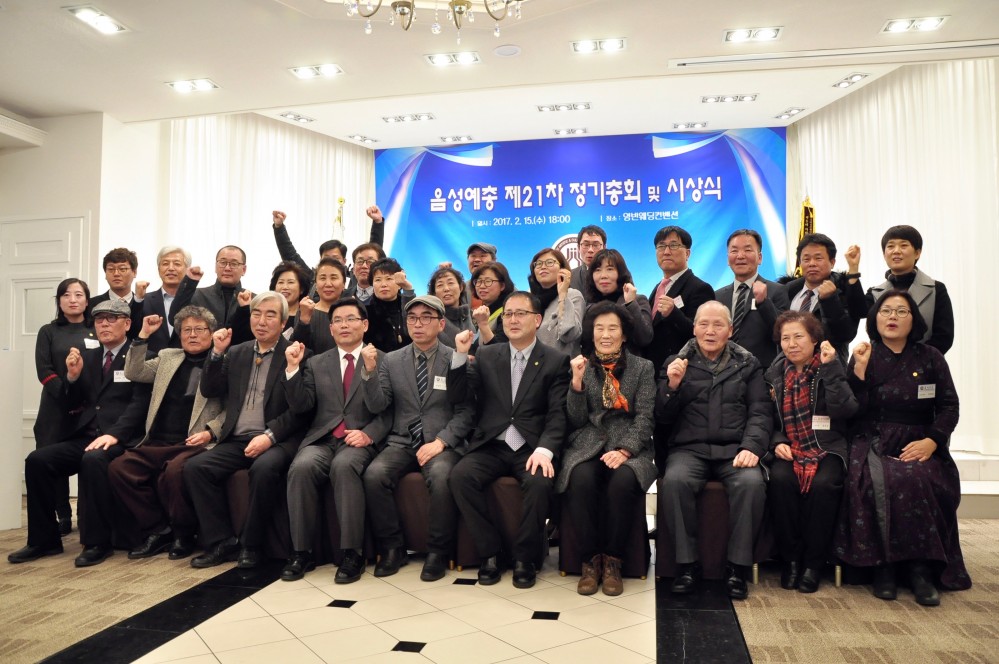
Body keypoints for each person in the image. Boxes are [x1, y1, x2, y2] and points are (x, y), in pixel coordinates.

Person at [834, 289, 969, 606]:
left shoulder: (931, 357)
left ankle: (920, 568)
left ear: (914, 320)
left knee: (918, 478)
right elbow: (852, 410)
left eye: (901, 311)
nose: (892, 317)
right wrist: (858, 373)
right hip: (872, 436)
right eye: (885, 311)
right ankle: (884, 567)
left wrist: (932, 441)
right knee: (875, 479)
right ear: (875, 318)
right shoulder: (865, 353)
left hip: (919, 439)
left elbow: (949, 406)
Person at [9, 299, 150, 567]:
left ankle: (97, 542)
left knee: (93, 460)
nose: (104, 324)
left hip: (120, 438)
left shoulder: (140, 355)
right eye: (99, 320)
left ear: (127, 324)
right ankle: (44, 540)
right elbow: (71, 402)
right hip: (86, 435)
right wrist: (72, 378)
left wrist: (115, 434)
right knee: (37, 460)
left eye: (111, 318)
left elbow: (139, 404)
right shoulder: (89, 356)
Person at [447, 291, 571, 589]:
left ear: (537, 320)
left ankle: (525, 558)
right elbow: (459, 396)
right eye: (508, 314)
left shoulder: (555, 360)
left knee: (540, 482)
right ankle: (490, 553)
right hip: (492, 443)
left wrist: (545, 450)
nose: (513, 320)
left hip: (530, 446)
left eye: (520, 313)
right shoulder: (488, 355)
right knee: (460, 476)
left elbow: (558, 414)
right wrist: (460, 356)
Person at [655, 301, 771, 599]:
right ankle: (687, 565)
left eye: (718, 325)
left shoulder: (748, 363)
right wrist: (671, 386)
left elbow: (760, 411)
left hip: (734, 449)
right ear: (693, 328)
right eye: (703, 324)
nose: (710, 331)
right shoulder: (676, 362)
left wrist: (751, 446)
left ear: (730, 330)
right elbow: (662, 417)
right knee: (675, 482)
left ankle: (737, 567)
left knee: (751, 484)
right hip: (689, 448)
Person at [183, 292, 308, 569]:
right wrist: (217, 353)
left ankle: (251, 545)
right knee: (196, 468)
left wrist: (269, 436)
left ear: (284, 321)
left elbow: (300, 410)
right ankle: (221, 542)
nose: (261, 321)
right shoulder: (237, 351)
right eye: (256, 314)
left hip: (278, 440)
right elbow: (211, 389)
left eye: (270, 315)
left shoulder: (296, 353)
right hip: (237, 438)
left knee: (263, 469)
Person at [360, 295, 474, 581]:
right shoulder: (391, 360)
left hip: (441, 441)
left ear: (441, 324)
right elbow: (378, 405)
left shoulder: (456, 358)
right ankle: (392, 548)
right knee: (374, 475)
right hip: (401, 440)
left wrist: (441, 442)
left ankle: (438, 551)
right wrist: (370, 372)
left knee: (442, 475)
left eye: (426, 318)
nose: (418, 324)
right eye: (412, 318)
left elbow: (466, 412)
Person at [282, 298, 392, 583]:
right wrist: (292, 369)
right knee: (301, 467)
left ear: (364, 325)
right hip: (323, 438)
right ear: (330, 329)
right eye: (338, 321)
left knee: (344, 467)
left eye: (351, 319)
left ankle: (352, 553)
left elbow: (388, 410)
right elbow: (302, 406)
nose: (344, 325)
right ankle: (301, 552)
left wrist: (369, 434)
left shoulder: (383, 359)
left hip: (359, 439)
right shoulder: (316, 362)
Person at [107, 306, 225, 560]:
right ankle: (159, 530)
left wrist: (210, 432)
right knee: (119, 468)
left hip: (192, 442)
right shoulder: (168, 356)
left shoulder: (222, 361)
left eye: (199, 329)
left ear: (212, 332)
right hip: (157, 441)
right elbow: (134, 372)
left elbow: (232, 408)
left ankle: (184, 535)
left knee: (174, 473)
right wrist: (143, 336)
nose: (192, 335)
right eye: (186, 330)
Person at [556, 301, 656, 596]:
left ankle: (613, 562)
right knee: (579, 479)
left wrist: (625, 450)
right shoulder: (581, 365)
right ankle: (590, 561)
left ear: (624, 335)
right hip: (588, 442)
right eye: (599, 328)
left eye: (613, 328)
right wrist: (576, 383)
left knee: (622, 482)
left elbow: (645, 417)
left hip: (630, 445)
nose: (606, 334)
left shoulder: (643, 367)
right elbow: (575, 420)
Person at [764, 311, 858, 593]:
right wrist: (776, 441)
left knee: (824, 485)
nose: (791, 344)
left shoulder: (830, 365)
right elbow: (766, 417)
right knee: (780, 481)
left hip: (827, 446)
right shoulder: (774, 373)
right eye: (785, 338)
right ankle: (791, 560)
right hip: (790, 446)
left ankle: (813, 564)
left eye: (798, 337)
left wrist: (831, 370)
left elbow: (846, 410)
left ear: (815, 339)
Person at [33, 278, 98, 535]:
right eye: (66, 295)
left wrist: (81, 397)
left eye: (79, 295)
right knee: (51, 463)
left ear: (87, 300)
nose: (73, 300)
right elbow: (44, 369)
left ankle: (85, 515)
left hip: (88, 410)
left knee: (89, 462)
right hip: (55, 408)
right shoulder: (48, 331)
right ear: (59, 301)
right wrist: (66, 393)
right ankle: (62, 515)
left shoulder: (96, 329)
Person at [865, 225, 954, 354]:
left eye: (903, 245)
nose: (896, 251)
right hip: (883, 363)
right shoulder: (874, 292)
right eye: (890, 246)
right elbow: (858, 315)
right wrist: (853, 272)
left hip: (926, 363)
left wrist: (914, 360)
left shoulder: (936, 289)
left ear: (917, 253)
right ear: (884, 254)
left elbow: (944, 337)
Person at [271, 206, 385, 299]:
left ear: (344, 261)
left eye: (335, 258)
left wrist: (378, 223)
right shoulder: (312, 278)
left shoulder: (356, 277)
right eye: (326, 258)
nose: (330, 262)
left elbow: (373, 252)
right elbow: (290, 255)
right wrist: (279, 227)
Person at [714, 229, 790, 368]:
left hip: (761, 372)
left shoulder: (777, 291)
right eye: (734, 251)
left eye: (748, 250)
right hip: (724, 371)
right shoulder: (717, 296)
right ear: (728, 258)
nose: (740, 256)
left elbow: (783, 333)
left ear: (759, 257)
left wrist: (764, 302)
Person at [783, 233, 865, 363]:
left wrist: (830, 301)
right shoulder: (787, 291)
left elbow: (846, 335)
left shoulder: (845, 291)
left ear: (832, 262)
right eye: (806, 259)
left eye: (818, 258)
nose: (812, 264)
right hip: (789, 368)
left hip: (829, 367)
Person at [646, 226, 716, 378]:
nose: (666, 251)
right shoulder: (658, 287)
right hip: (654, 372)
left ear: (687, 253)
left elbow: (702, 333)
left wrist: (673, 313)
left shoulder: (700, 288)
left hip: (683, 372)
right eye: (661, 246)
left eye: (673, 245)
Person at [584, 248, 653, 352]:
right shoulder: (588, 306)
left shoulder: (638, 300)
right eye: (598, 270)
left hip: (628, 361)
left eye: (610, 269)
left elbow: (644, 338)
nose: (603, 276)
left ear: (620, 273)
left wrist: (631, 303)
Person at [139, 246, 199, 352]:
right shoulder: (144, 301)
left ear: (187, 269)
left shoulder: (199, 299)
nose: (171, 268)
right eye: (165, 263)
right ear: (158, 269)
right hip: (152, 359)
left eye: (177, 264)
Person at [527, 248, 585, 357]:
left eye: (549, 262)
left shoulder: (572, 295)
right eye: (538, 264)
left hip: (562, 365)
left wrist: (563, 295)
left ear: (562, 269)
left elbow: (569, 335)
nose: (543, 267)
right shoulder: (529, 300)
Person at [291, 257, 348, 354]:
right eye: (322, 278)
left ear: (344, 284)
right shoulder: (305, 311)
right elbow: (297, 347)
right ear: (316, 285)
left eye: (334, 278)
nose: (328, 284)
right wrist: (304, 320)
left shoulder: (352, 312)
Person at [191, 245, 253, 331]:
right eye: (223, 263)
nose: (227, 268)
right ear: (215, 267)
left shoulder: (253, 301)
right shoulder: (197, 295)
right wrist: (189, 282)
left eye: (234, 264)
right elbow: (175, 319)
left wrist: (245, 309)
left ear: (244, 270)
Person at [88, 247, 145, 338]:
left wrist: (138, 300)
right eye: (111, 269)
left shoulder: (145, 304)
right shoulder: (92, 304)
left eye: (122, 269)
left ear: (134, 272)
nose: (116, 274)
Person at [364, 258, 416, 353]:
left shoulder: (408, 305)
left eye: (389, 279)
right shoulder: (366, 311)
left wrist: (408, 289)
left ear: (399, 284)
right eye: (378, 280)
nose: (383, 284)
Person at [469, 262, 515, 347]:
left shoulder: (510, 313)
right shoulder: (483, 310)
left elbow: (500, 350)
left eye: (488, 281)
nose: (482, 286)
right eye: (478, 281)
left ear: (502, 286)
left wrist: (483, 324)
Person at [427, 266, 474, 348]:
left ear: (461, 287)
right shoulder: (431, 320)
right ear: (434, 293)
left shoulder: (473, 315)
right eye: (440, 285)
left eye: (450, 283)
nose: (446, 289)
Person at [569, 225, 607, 299]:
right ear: (578, 247)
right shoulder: (569, 278)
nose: (590, 250)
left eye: (596, 245)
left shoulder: (616, 275)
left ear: (604, 247)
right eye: (586, 245)